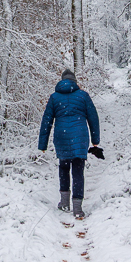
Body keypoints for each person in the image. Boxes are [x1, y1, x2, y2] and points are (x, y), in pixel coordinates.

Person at [38, 68, 100, 220]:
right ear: (75, 82)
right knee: (78, 171)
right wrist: (95, 140)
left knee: (64, 168)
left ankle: (64, 203)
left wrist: (43, 144)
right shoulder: (83, 96)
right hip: (80, 136)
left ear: (62, 80)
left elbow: (46, 121)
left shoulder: (54, 97)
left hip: (62, 137)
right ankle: (77, 209)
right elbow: (93, 118)